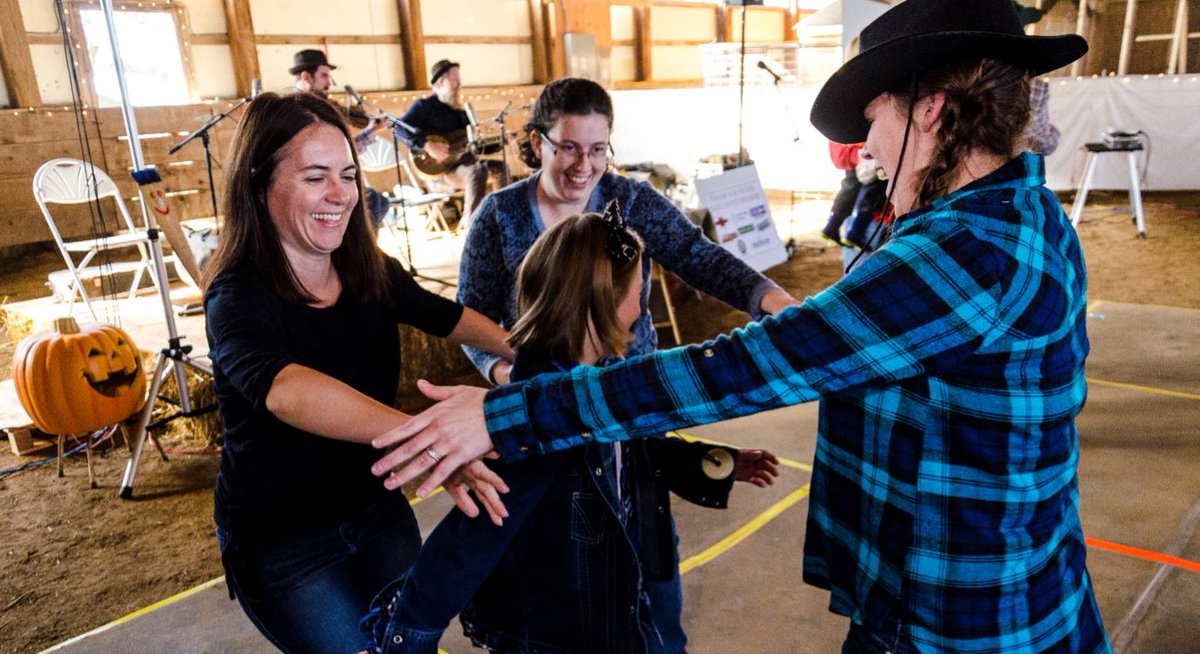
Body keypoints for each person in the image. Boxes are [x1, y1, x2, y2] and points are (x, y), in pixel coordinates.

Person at [370, 1, 1113, 652]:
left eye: (875, 122)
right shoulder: (1007, 220)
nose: (869, 152)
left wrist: (513, 411)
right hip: (956, 596)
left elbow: (739, 362)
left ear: (929, 109)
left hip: (963, 618)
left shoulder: (969, 251)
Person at [361, 205, 779, 654]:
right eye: (639, 288)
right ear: (605, 305)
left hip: (633, 590)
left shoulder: (607, 379)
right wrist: (407, 633)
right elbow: (468, 543)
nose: (643, 297)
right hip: (571, 630)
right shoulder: (531, 423)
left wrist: (710, 463)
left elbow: (635, 452)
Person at [204, 91, 513, 653]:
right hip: (283, 542)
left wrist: (527, 359)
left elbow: (449, 317)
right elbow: (287, 391)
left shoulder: (367, 267)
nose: (340, 195)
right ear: (259, 182)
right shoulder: (236, 297)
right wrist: (430, 440)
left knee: (411, 645)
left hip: (376, 514)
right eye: (315, 177)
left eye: (347, 175)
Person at [456, 76, 796, 389]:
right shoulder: (500, 215)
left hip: (631, 385)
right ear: (537, 141)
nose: (583, 165)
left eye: (597, 149)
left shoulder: (631, 201)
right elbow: (472, 314)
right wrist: (504, 372)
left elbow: (698, 256)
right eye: (569, 147)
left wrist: (769, 296)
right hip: (543, 393)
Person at [290, 49, 391, 227]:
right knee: (369, 204)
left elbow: (343, 153)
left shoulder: (321, 107)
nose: (329, 83)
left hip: (329, 180)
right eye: (324, 76)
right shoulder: (296, 111)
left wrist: (371, 129)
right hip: (310, 185)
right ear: (306, 77)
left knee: (378, 202)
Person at [394, 60, 504, 221]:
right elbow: (399, 129)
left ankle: (503, 216)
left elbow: (475, 147)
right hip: (439, 174)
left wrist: (501, 140)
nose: (459, 84)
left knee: (501, 167)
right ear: (441, 81)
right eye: (455, 80)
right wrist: (427, 145)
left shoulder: (460, 112)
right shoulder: (424, 106)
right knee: (477, 171)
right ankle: (472, 226)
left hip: (462, 166)